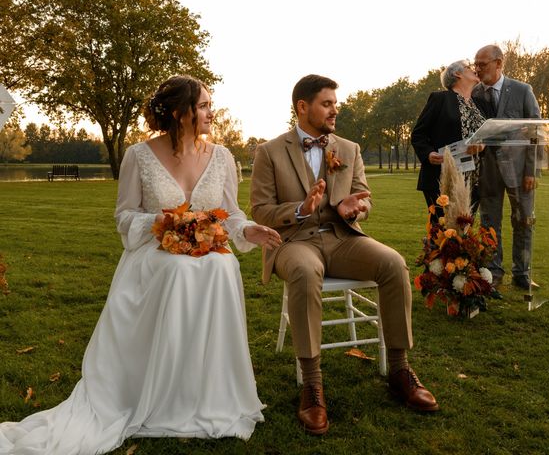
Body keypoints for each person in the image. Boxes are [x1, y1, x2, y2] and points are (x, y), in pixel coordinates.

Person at [0, 75, 282, 454]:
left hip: (208, 256)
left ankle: (207, 392)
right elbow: (124, 216)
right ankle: (161, 392)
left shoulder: (223, 158)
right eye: (203, 106)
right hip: (156, 254)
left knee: (221, 266)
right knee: (178, 270)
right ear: (181, 113)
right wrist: (162, 223)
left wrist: (249, 229)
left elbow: (230, 214)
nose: (211, 112)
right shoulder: (138, 155)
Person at [250, 74, 439, 436]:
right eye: (327, 103)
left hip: (342, 237)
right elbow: (260, 210)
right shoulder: (269, 152)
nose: (335, 109)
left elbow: (363, 196)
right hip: (295, 242)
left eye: (335, 103)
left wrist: (356, 208)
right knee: (305, 273)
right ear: (303, 107)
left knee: (393, 263)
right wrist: (301, 209)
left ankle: (399, 370)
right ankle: (312, 384)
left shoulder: (348, 149)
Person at [471, 44, 541, 290]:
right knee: (490, 222)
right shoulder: (473, 94)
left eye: (483, 64)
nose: (478, 70)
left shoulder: (522, 91)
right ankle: (494, 271)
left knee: (523, 220)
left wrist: (532, 170)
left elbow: (535, 131)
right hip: (488, 170)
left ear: (499, 63)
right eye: (476, 65)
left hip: (520, 170)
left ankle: (522, 273)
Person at [411, 60, 486, 215]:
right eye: (468, 67)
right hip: (443, 176)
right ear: (457, 74)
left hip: (474, 179)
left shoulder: (481, 104)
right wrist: (428, 154)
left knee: (465, 231)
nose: (474, 70)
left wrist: (482, 145)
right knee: (442, 229)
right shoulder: (440, 99)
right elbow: (419, 134)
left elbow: (489, 134)